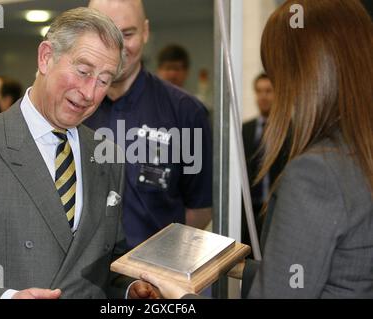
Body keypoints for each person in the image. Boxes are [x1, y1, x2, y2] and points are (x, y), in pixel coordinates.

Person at [141, 0, 373, 299]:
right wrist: (235, 264)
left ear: (303, 75)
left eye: (277, 78)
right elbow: (321, 275)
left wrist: (181, 300)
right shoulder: (357, 154)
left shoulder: (317, 173)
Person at [0, 8, 158, 299]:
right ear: (46, 57)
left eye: (104, 80)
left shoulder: (108, 156)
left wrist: (131, 289)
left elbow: (107, 257)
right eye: (83, 71)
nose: (89, 92)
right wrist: (6, 297)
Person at [85, 0, 212, 250]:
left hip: (154, 279)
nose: (118, 46)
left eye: (128, 34)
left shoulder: (184, 111)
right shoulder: (73, 106)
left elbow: (200, 209)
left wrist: (159, 260)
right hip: (81, 280)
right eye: (104, 34)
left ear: (145, 31)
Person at [241, 73, 287, 254]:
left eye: (268, 91)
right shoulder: (246, 129)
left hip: (276, 209)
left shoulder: (288, 130)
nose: (263, 96)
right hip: (249, 209)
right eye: (259, 91)